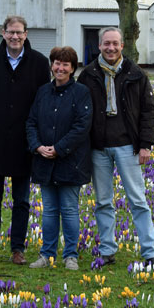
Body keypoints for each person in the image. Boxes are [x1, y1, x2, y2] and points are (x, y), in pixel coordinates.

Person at [77, 27, 154, 267]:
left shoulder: (136, 74)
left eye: (115, 43)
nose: (110, 48)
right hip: (98, 147)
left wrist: (146, 144)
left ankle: (149, 250)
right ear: (99, 46)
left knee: (138, 199)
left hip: (128, 146)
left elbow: (149, 111)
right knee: (103, 201)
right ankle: (107, 249)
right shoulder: (89, 74)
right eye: (106, 44)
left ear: (122, 45)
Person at [0, 15, 50, 265]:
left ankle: (17, 248)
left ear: (26, 34)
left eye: (19, 32)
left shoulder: (38, 62)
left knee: (22, 200)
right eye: (10, 32)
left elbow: (42, 104)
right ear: (3, 33)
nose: (15, 37)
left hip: (24, 141)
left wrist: (38, 138)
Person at [26, 46, 92, 271]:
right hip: (44, 160)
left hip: (70, 161)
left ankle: (70, 255)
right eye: (57, 63)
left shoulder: (81, 92)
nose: (60, 68)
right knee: (50, 211)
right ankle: (47, 254)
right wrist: (37, 146)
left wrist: (59, 148)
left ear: (73, 68)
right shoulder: (42, 91)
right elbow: (31, 122)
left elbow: (82, 126)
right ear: (51, 65)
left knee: (70, 209)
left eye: (65, 64)